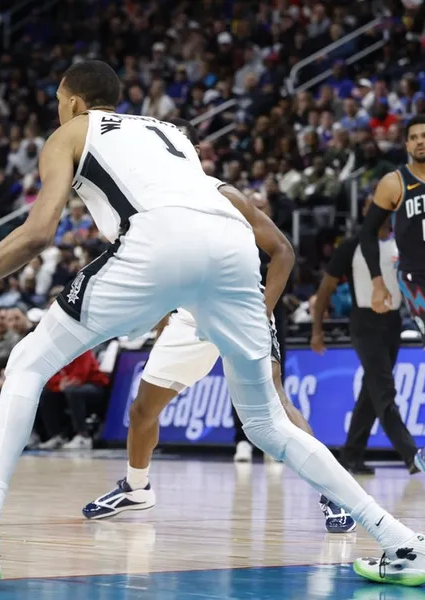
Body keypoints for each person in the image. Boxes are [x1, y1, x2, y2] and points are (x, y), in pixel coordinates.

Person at [0, 60, 425, 586]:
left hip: (157, 241)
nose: (59, 112)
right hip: (231, 244)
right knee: (268, 423)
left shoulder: (71, 132)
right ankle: (402, 541)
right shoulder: (169, 131)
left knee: (28, 363)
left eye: (59, 103)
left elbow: (37, 235)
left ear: (73, 102)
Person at [81, 118, 354, 534]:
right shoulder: (150, 204)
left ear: (188, 152)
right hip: (189, 314)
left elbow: (282, 251)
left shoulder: (222, 194)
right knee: (142, 410)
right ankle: (136, 488)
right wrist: (160, 316)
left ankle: (335, 494)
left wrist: (261, 311)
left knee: (276, 405)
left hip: (238, 305)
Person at [314, 197, 417, 475]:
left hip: (393, 322)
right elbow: (325, 289)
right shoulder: (351, 246)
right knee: (384, 389)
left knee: (371, 392)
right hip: (364, 323)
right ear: (364, 211)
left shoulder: (402, 243)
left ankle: (350, 455)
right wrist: (316, 329)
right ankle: (412, 455)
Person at [360, 114, 425, 481]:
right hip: (418, 281)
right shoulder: (395, 182)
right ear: (406, 144)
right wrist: (378, 282)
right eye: (414, 137)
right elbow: (366, 233)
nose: (420, 141)